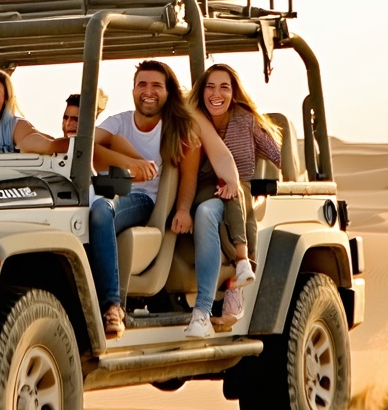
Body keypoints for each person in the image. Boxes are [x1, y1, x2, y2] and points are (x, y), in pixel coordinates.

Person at [85, 61, 239, 339]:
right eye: (142, 84)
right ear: (133, 90)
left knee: (100, 211)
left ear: (168, 92)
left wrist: (183, 209)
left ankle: (112, 305)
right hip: (107, 189)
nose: (149, 91)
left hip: (144, 199)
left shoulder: (178, 128)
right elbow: (85, 147)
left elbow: (189, 176)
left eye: (157, 85)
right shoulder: (119, 121)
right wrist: (130, 162)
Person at [180, 63, 282, 336]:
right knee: (219, 202)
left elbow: (276, 153)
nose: (217, 93)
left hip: (239, 189)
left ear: (233, 92)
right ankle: (241, 264)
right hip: (206, 187)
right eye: (210, 87)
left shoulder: (246, 120)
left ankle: (224, 289)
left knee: (228, 200)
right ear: (202, 92)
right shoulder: (195, 119)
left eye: (224, 87)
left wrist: (288, 175)